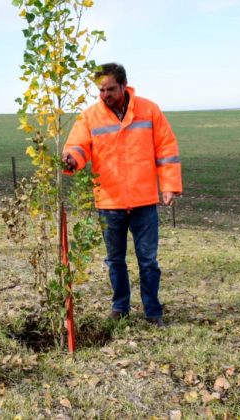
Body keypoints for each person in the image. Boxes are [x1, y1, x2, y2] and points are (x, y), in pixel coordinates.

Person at [61, 63, 182, 327]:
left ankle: (153, 312)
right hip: (109, 201)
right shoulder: (90, 116)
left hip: (144, 200)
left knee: (148, 261)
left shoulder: (149, 110)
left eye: (111, 89)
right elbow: (78, 146)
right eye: (101, 90)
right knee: (115, 260)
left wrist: (169, 185)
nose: (105, 95)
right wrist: (71, 160)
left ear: (124, 85)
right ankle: (120, 307)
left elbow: (166, 148)